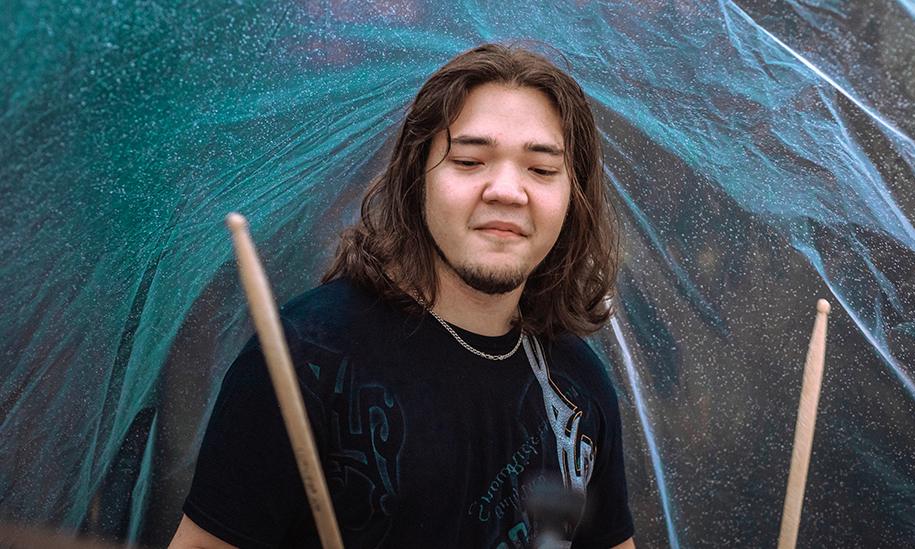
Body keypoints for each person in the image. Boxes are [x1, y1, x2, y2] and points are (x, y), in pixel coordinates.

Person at [170, 43, 635, 549]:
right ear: (418, 178)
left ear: (574, 195)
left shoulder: (579, 384)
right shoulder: (304, 359)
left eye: (542, 169)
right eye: (469, 160)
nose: (507, 189)